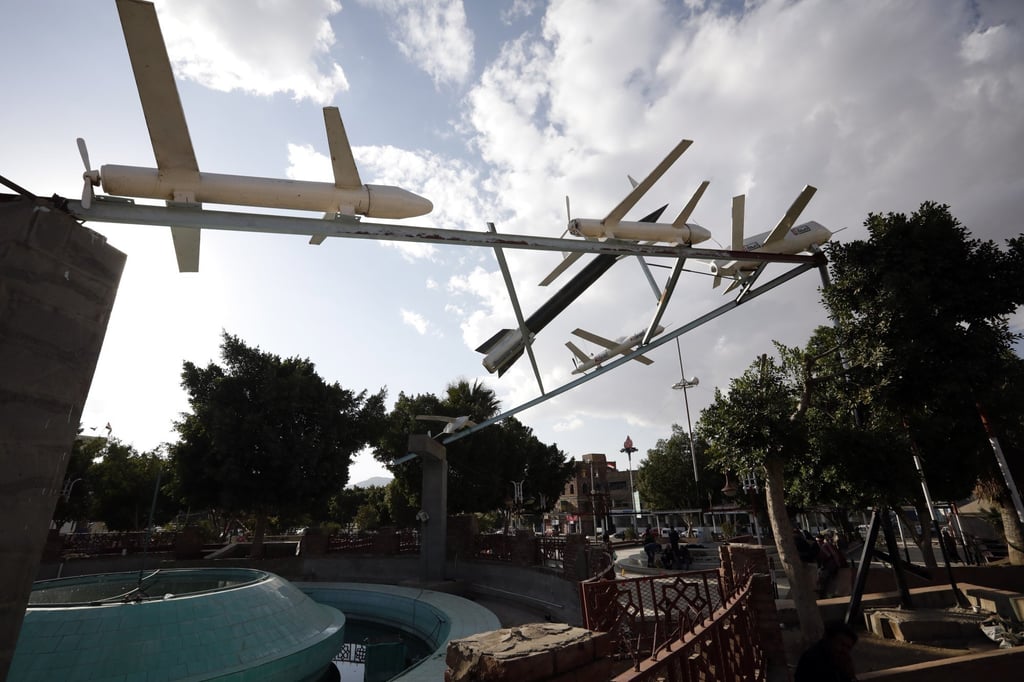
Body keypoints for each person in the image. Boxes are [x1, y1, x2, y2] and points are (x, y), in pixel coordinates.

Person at [794, 621, 859, 682]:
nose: (844, 651)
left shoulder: (840, 660)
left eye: (848, 647)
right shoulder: (813, 660)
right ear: (828, 639)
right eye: (842, 644)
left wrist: (850, 675)